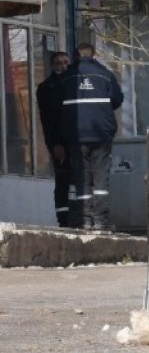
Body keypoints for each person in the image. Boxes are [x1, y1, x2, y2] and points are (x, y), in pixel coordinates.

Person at [59, 42, 123, 231]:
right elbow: (118, 99)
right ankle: (101, 222)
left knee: (82, 177)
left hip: (76, 135)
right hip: (101, 133)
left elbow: (58, 105)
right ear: (93, 56)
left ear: (76, 56)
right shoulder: (105, 74)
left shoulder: (67, 77)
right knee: (101, 178)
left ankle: (85, 220)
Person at [36, 51, 71, 226]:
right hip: (60, 141)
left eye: (66, 62)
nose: (63, 66)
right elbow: (48, 120)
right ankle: (63, 220)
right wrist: (55, 143)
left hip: (77, 139)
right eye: (59, 63)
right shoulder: (47, 88)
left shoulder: (75, 83)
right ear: (53, 65)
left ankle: (81, 217)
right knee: (63, 180)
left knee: (81, 180)